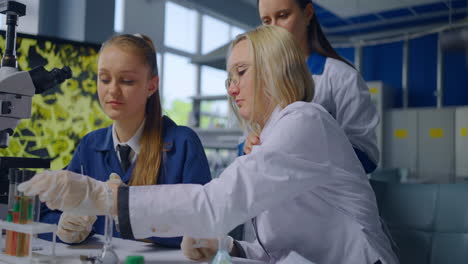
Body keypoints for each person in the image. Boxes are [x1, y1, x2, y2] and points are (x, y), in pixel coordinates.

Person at [19, 26, 398, 264]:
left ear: (275, 68)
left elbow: (215, 203)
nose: (231, 88)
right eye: (228, 76)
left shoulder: (305, 120)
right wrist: (229, 247)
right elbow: (276, 248)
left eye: (241, 72)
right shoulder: (272, 138)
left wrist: (103, 197)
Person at [39, 34, 211, 248]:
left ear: (152, 86)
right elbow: (43, 213)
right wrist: (65, 227)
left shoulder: (183, 144)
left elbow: (205, 227)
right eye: (104, 79)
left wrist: (130, 211)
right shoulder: (90, 146)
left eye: (127, 81)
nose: (112, 90)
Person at [241, 0, 379, 174]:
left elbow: (368, 156)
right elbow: (243, 143)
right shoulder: (259, 79)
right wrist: (249, 145)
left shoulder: (341, 77)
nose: (274, 28)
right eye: (267, 21)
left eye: (283, 16)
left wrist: (310, 141)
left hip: (326, 196)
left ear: (307, 14)